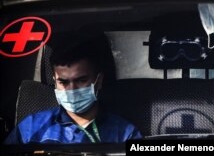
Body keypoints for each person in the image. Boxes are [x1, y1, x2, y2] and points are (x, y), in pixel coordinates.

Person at [4, 29, 142, 144]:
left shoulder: (124, 134)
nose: (71, 90)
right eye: (63, 82)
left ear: (99, 80)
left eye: (81, 80)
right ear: (54, 81)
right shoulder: (31, 128)